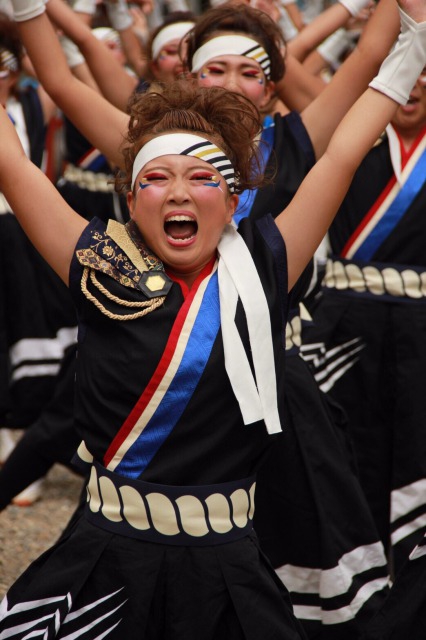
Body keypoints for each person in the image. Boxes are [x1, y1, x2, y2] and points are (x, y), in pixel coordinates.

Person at [0, 1, 425, 639]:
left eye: (202, 177)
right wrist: (29, 8)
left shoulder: (266, 261)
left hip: (227, 564)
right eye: (156, 178)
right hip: (108, 553)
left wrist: (414, 45)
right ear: (130, 197)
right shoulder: (98, 259)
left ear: (233, 200)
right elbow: (11, 164)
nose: (178, 192)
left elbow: (340, 156)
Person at [301, 64, 426, 575]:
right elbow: (288, 75)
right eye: (410, 70)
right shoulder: (348, 139)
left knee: (418, 450)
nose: (416, 83)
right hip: (344, 324)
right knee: (346, 449)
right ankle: (353, 579)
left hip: (421, 328)